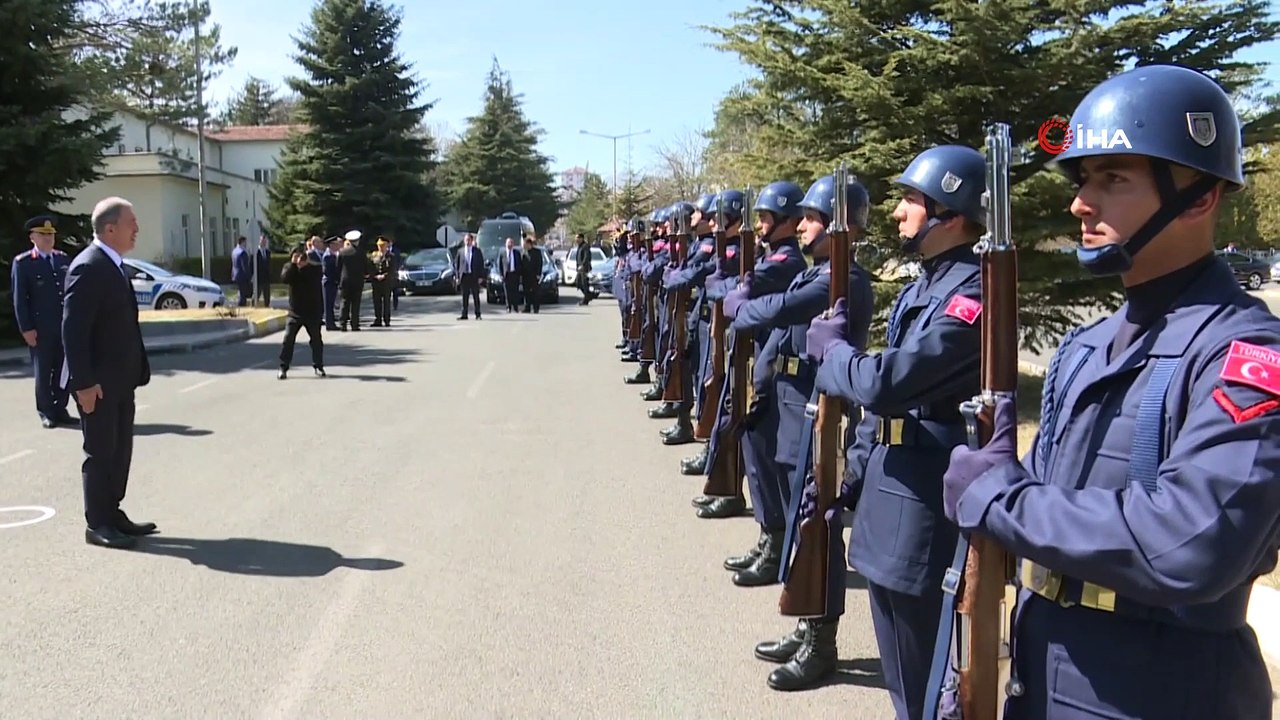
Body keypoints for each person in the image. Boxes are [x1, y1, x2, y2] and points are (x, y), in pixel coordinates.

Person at [939, 65, 1280, 720]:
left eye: (1113, 179)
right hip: (1043, 674)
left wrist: (1001, 497)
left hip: (1162, 689)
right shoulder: (1084, 347)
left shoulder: (1245, 353)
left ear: (1200, 197)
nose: (1081, 204)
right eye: (1082, 180)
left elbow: (1189, 544)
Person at [802, 144, 987, 715]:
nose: (898, 211)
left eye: (911, 199)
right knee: (903, 677)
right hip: (888, 492)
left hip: (921, 504)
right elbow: (882, 413)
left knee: (922, 682)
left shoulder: (973, 295)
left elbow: (888, 383)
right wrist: (849, 480)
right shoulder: (922, 287)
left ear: (950, 214)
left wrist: (833, 355)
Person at [694, 188, 807, 520]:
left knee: (758, 442)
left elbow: (737, 289)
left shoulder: (786, 262)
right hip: (752, 353)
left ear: (785, 221)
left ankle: (767, 522)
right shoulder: (768, 256)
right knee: (739, 428)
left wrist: (721, 286)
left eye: (766, 218)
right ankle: (733, 493)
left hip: (766, 360)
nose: (759, 225)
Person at [61, 197, 155, 550]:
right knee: (100, 452)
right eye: (132, 223)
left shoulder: (113, 264)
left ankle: (113, 513)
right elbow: (73, 331)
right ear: (110, 228)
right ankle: (97, 523)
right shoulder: (89, 266)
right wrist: (83, 384)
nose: (137, 229)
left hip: (120, 380)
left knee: (119, 450)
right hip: (97, 384)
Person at [11, 215, 74, 429]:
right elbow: (20, 299)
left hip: (63, 327)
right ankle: (46, 411)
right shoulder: (24, 263)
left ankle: (60, 408)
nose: (48, 239)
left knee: (63, 370)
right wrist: (26, 328)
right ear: (32, 237)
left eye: (51, 235)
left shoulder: (62, 259)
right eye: (43, 235)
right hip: (41, 329)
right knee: (44, 371)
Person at [277, 244, 325, 379]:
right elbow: (285, 279)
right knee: (288, 339)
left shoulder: (314, 268)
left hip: (312, 311)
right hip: (295, 312)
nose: (300, 258)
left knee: (316, 340)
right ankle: (283, 367)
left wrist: (306, 265)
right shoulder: (289, 268)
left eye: (302, 255)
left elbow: (316, 278)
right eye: (297, 255)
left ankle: (318, 366)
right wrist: (294, 265)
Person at [336, 234, 367, 330]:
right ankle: (354, 324)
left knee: (344, 302)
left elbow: (338, 267)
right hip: (357, 280)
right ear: (357, 240)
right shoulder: (361, 252)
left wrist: (339, 279)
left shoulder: (342, 251)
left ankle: (343, 324)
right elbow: (366, 266)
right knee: (355, 303)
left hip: (345, 280)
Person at [454, 233, 485, 319]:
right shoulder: (460, 251)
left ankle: (478, 314)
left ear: (472, 241)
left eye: (469, 240)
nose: (467, 242)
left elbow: (481, 264)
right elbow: (457, 265)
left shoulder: (477, 251)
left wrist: (481, 276)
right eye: (466, 240)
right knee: (465, 296)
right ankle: (464, 314)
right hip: (464, 276)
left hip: (474, 276)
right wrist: (457, 277)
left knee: (476, 296)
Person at [369, 237, 395, 327]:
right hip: (376, 282)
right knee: (377, 301)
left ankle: (387, 319)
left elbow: (392, 269)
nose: (381, 247)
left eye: (383, 246)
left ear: (387, 246)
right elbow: (371, 268)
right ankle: (378, 319)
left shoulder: (391, 256)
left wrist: (384, 276)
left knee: (386, 302)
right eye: (379, 246)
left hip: (386, 282)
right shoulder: (374, 255)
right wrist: (375, 276)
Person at [520, 236, 545, 314]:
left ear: (529, 244)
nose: (524, 246)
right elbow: (521, 264)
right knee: (526, 292)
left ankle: (536, 308)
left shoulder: (537, 252)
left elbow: (540, 263)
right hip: (525, 276)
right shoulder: (523, 253)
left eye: (525, 244)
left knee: (535, 293)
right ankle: (527, 307)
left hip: (534, 276)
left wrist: (538, 274)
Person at [321, 236, 341, 331]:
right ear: (331, 245)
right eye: (336, 244)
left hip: (332, 282)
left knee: (331, 304)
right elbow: (328, 271)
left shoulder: (333, 254)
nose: (338, 246)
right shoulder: (328, 256)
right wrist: (336, 278)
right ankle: (329, 324)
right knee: (328, 304)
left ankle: (331, 322)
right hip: (329, 282)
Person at [499, 237, 522, 312]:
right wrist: (501, 275)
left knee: (515, 292)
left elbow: (520, 264)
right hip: (506, 275)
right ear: (505, 244)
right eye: (508, 243)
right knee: (507, 292)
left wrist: (519, 274)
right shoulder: (503, 254)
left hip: (514, 274)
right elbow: (500, 265)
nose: (510, 244)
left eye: (511, 243)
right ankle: (508, 307)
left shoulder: (517, 253)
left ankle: (515, 307)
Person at [574, 233, 598, 305]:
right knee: (578, 283)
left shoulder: (585, 246)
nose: (576, 239)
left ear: (581, 238)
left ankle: (586, 299)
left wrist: (582, 265)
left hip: (584, 268)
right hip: (579, 268)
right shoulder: (579, 246)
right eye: (576, 238)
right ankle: (589, 295)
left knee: (584, 284)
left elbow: (586, 257)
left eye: (577, 238)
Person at [231, 236, 252, 306]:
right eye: (245, 242)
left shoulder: (234, 251)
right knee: (243, 294)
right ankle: (241, 306)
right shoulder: (242, 253)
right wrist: (249, 277)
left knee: (240, 292)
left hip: (235, 275)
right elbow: (245, 267)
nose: (246, 244)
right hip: (242, 276)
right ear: (242, 242)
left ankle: (240, 304)